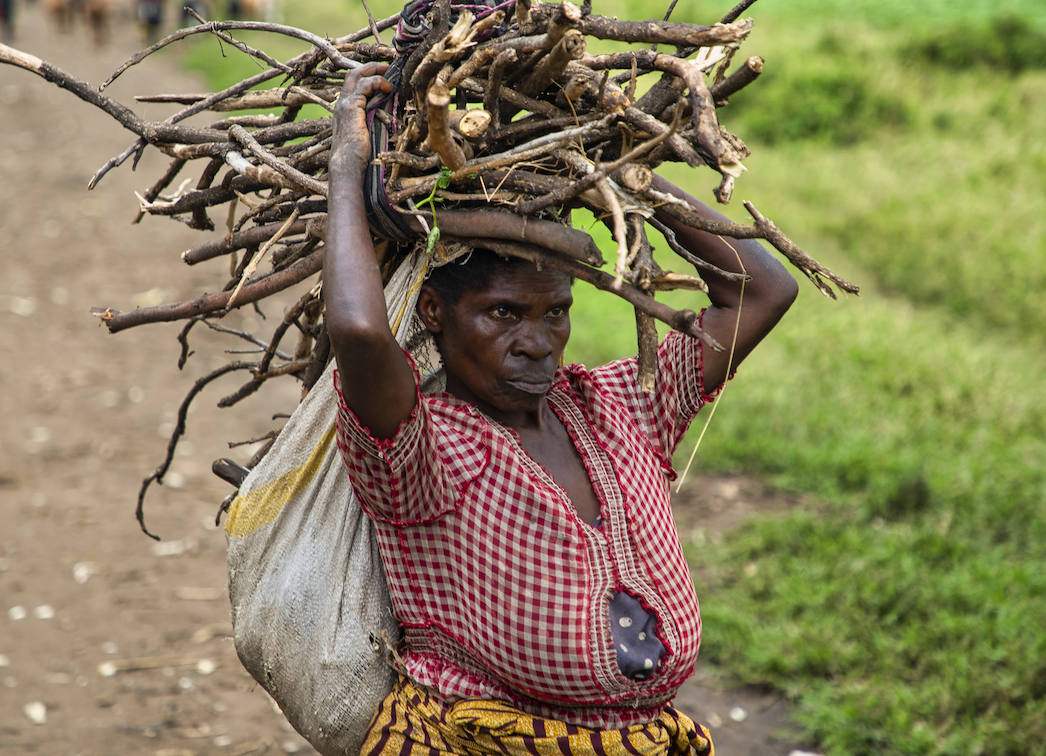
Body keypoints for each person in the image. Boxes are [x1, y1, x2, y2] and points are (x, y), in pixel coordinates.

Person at [325, 63, 798, 755]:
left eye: (556, 313)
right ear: (435, 311)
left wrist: (615, 166)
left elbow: (762, 290)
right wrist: (348, 169)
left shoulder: (617, 405)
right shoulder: (424, 451)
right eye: (503, 313)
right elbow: (362, 333)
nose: (536, 343)